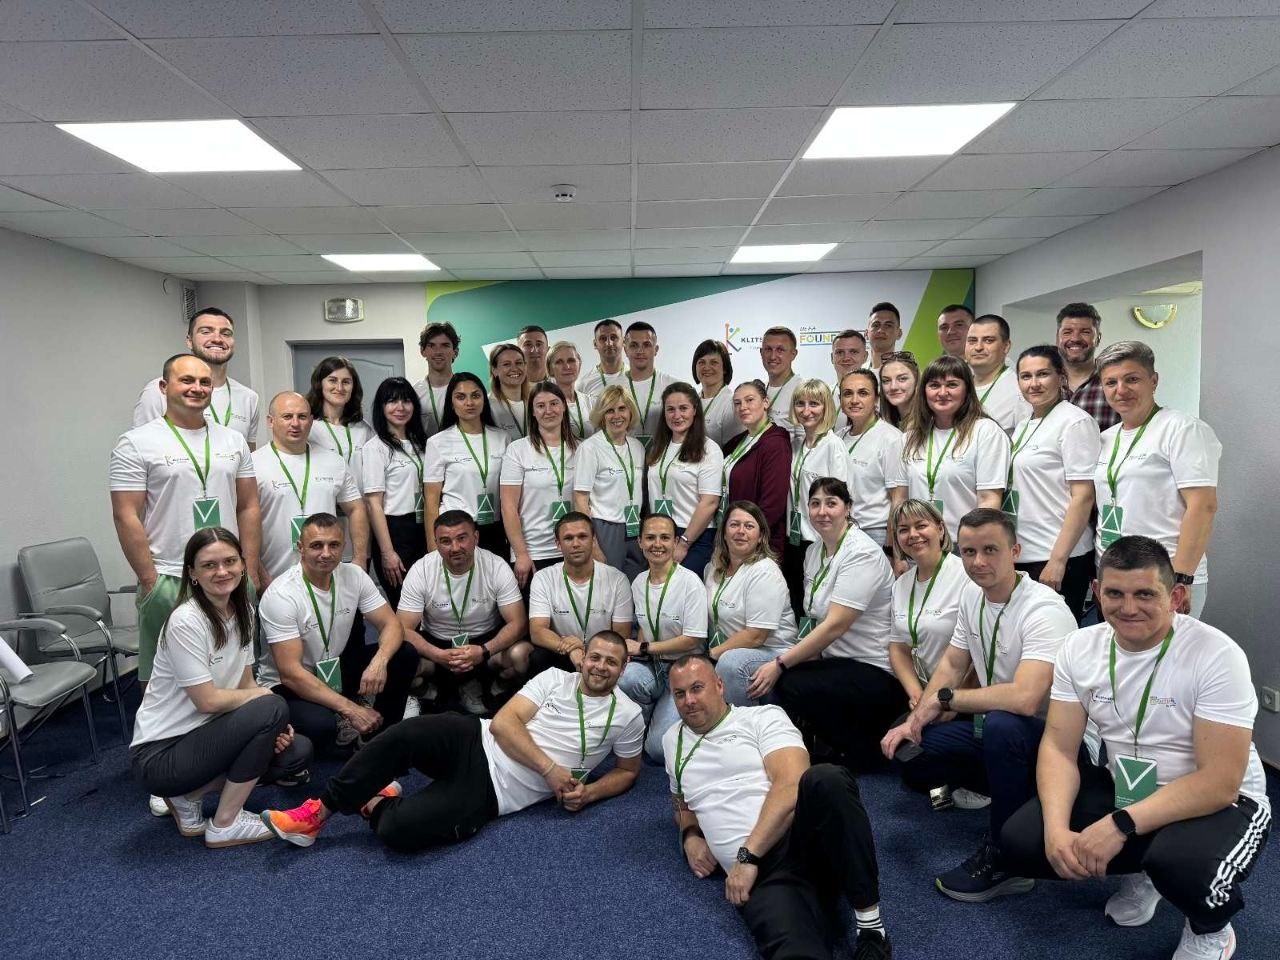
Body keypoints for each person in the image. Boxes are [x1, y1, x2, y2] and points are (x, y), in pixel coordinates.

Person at [1001, 536, 1272, 960]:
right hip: (1129, 787)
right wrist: (1055, 829)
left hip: (1223, 801)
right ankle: (1147, 870)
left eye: (1145, 594)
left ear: (1176, 596)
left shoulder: (1217, 655)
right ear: (1097, 591)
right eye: (1115, 593)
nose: (1128, 608)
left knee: (1182, 867)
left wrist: (1120, 826)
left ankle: (1210, 928)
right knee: (1022, 841)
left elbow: (1219, 783)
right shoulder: (1079, 647)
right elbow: (1058, 746)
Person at [261, 631, 644, 853]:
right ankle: (317, 813)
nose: (600, 667)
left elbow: (627, 771)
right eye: (595, 657)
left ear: (623, 667)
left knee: (398, 831)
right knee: (404, 734)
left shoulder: (628, 715)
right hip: (475, 737)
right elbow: (504, 724)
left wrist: (589, 794)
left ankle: (375, 799)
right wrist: (549, 770)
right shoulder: (555, 680)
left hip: (494, 791)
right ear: (583, 658)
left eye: (611, 662)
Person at [880, 509, 1077, 903]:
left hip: (1056, 743)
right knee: (912, 747)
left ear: (1015, 551)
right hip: (999, 730)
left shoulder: (1044, 609)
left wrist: (945, 700)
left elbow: (1026, 698)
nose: (978, 562)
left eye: (990, 550)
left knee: (1003, 723)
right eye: (969, 552)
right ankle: (1011, 797)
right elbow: (954, 664)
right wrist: (916, 719)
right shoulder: (973, 595)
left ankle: (1005, 857)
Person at [664, 656, 892, 960]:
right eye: (680, 694)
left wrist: (748, 856)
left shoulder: (763, 717)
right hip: (763, 880)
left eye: (697, 688)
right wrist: (690, 835)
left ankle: (871, 927)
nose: (689, 701)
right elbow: (681, 799)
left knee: (827, 779)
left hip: (799, 839)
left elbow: (791, 783)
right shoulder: (672, 740)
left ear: (719, 686)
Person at [130, 528, 312, 848]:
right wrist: (266, 703)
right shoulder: (186, 621)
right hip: (160, 756)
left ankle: (188, 797)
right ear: (193, 574)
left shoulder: (244, 612)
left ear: (242, 565)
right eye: (209, 565)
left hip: (205, 735)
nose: (222, 571)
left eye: (230, 561)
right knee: (273, 705)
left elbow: (245, 683)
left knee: (295, 751)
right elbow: (208, 701)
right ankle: (226, 823)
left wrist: (272, 725)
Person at [111, 353, 261, 685]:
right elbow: (125, 514)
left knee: (233, 667)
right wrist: (149, 580)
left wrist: (248, 568)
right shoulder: (136, 442)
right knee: (164, 677)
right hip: (169, 576)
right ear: (164, 387)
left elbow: (249, 506)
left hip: (228, 574)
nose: (197, 388)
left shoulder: (233, 440)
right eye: (187, 380)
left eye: (204, 382)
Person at [766, 479, 903, 771]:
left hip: (873, 668)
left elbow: (835, 625)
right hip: (837, 662)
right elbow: (815, 618)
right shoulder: (814, 552)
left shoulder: (861, 552)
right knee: (790, 676)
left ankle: (862, 753)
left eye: (832, 503)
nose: (822, 511)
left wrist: (779, 663)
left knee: (790, 681)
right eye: (815, 504)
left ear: (848, 508)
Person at [258, 513, 417, 751]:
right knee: (322, 725)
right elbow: (290, 673)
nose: (326, 553)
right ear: (301, 548)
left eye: (334, 545)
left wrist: (379, 662)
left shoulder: (354, 576)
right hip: (288, 685)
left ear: (343, 546)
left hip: (333, 669)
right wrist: (351, 709)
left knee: (404, 654)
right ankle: (348, 718)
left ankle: (381, 736)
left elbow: (391, 625)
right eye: (316, 545)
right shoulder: (282, 594)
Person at [1093, 341, 1220, 619]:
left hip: (1164, 576)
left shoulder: (1182, 429)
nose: (1120, 390)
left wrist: (1181, 577)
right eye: (1111, 382)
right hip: (1114, 575)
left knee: (1168, 648)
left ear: (1153, 381)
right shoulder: (1106, 438)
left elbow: (1203, 506)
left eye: (1132, 379)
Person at [396, 510, 531, 716]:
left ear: (476, 537)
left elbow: (519, 623)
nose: (455, 548)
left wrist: (483, 651)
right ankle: (425, 693)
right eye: (445, 541)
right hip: (437, 645)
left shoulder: (496, 566)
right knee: (397, 657)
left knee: (521, 655)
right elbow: (402, 628)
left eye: (462, 538)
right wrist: (437, 654)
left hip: (484, 644)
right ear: (436, 543)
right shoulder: (421, 570)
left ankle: (494, 687)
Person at [1008, 346, 1101, 621]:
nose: (1033, 383)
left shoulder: (1074, 422)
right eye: (1026, 376)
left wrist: (1058, 560)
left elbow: (1083, 497)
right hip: (1024, 552)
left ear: (1061, 377)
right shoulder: (1025, 425)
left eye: (1042, 374)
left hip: (1058, 557)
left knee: (1053, 638)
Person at [252, 392, 368, 589]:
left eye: (302, 417)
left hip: (328, 577)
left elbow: (356, 508)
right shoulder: (253, 464)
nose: (295, 423)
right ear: (271, 421)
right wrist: (260, 574)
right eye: (287, 416)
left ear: (311, 421)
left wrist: (359, 559)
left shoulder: (333, 462)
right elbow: (244, 524)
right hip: (275, 577)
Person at [617, 513, 709, 761]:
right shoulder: (638, 582)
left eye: (665, 538)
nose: (657, 544)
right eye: (650, 538)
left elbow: (693, 639)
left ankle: (671, 719)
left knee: (658, 750)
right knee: (626, 677)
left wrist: (644, 648)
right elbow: (646, 624)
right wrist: (640, 651)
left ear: (676, 542)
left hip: (685, 668)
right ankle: (645, 723)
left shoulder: (690, 582)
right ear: (640, 542)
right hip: (654, 666)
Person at [898, 355, 1010, 545]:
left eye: (952, 385)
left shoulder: (985, 432)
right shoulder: (910, 438)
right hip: (918, 543)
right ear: (924, 391)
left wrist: (976, 549)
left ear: (967, 389)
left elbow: (989, 500)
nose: (942, 392)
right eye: (934, 385)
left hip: (964, 543)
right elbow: (902, 499)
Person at [705, 502, 798, 706]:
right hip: (731, 648)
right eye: (734, 525)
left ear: (760, 536)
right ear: (724, 533)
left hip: (772, 651)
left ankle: (741, 722)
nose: (741, 531)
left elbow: (756, 636)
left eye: (749, 526)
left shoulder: (764, 571)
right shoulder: (712, 569)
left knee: (730, 663)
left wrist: (711, 655)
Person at [132, 307, 259, 446]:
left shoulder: (248, 397)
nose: (217, 339)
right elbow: (142, 447)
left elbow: (248, 453)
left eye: (226, 333)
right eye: (206, 332)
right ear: (189, 341)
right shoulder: (160, 391)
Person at [528, 513, 634, 676]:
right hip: (564, 653)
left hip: (603, 655)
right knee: (537, 657)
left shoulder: (618, 580)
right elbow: (537, 631)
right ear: (558, 544)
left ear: (593, 540)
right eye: (568, 538)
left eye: (582, 537)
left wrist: (587, 651)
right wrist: (573, 649)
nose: (576, 544)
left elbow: (621, 635)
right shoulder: (543, 578)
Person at [887, 500, 968, 708]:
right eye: (903, 529)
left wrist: (949, 701)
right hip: (922, 695)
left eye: (921, 525)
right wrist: (916, 694)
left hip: (959, 697)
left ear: (940, 529)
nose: (913, 534)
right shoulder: (901, 584)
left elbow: (977, 655)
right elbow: (898, 649)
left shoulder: (966, 576)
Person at [500, 382, 579, 590]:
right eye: (541, 406)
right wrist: (521, 554)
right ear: (533, 412)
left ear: (564, 406)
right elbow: (508, 507)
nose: (548, 410)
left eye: (554, 403)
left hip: (573, 549)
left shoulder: (581, 449)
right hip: (534, 552)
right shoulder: (517, 450)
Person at [423, 372, 510, 558]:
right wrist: (433, 547)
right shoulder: (438, 442)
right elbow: (431, 499)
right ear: (451, 403)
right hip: (455, 530)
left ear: (484, 400)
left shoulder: (502, 438)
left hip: (494, 527)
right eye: (461, 397)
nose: (469, 402)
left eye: (475, 395)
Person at [783, 379, 849, 619]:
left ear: (826, 407)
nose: (806, 410)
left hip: (818, 539)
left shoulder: (833, 445)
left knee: (815, 603)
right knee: (796, 601)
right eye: (800, 403)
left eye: (814, 404)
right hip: (794, 537)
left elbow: (838, 498)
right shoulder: (796, 444)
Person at [361, 377, 428, 611]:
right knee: (406, 606)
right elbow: (373, 505)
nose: (400, 407)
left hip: (424, 526)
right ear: (381, 407)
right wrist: (388, 552)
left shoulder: (421, 443)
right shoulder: (375, 448)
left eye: (406, 401)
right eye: (392, 401)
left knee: (427, 601)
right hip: (395, 532)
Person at [646, 382, 724, 575]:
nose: (676, 415)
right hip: (661, 534)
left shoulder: (709, 449)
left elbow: (710, 502)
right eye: (670, 409)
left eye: (683, 408)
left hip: (693, 536)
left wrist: (684, 543)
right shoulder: (659, 447)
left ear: (695, 410)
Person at [571, 385, 647, 580]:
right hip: (604, 528)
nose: (617, 416)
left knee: (636, 583)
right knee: (609, 585)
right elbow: (580, 499)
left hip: (634, 526)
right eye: (609, 411)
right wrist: (593, 544)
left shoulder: (637, 447)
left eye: (622, 409)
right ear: (601, 415)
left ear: (630, 412)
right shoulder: (590, 448)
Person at [721, 380, 792, 558]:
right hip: (734, 538)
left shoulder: (776, 443)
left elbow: (773, 503)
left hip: (758, 543)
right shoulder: (737, 442)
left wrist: (749, 535)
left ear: (766, 402)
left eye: (749, 400)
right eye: (737, 403)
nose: (743, 407)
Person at [838, 369, 905, 553]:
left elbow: (898, 498)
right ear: (840, 399)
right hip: (842, 532)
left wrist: (891, 548)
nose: (854, 400)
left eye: (863, 393)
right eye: (847, 394)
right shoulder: (838, 437)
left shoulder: (891, 439)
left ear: (876, 399)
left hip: (875, 535)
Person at [306, 356, 374, 492]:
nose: (339, 387)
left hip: (359, 503)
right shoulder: (308, 427)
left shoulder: (363, 428)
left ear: (353, 387)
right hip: (323, 503)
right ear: (319, 384)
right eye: (332, 380)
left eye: (346, 382)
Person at [1056, 302, 1120, 432]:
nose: (1075, 338)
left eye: (1085, 332)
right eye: (1067, 332)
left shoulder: (1117, 382)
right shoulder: (1044, 383)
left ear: (1098, 338)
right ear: (1057, 338)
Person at [967, 314, 1031, 435]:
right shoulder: (958, 385)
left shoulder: (1020, 391)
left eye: (988, 340)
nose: (978, 347)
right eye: (972, 341)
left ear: (1006, 346)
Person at [623, 321, 676, 446]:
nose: (640, 351)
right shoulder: (613, 388)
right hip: (624, 457)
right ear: (625, 350)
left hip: (664, 456)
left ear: (656, 349)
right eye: (634, 345)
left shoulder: (674, 386)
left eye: (646, 345)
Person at [413, 321, 460, 437]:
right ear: (422, 351)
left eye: (445, 345)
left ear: (455, 352)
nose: (438, 352)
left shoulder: (467, 390)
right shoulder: (414, 393)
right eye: (431, 346)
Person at [546, 340, 596, 440]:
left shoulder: (591, 402)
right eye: (559, 362)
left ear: (579, 364)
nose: (567, 367)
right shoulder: (544, 405)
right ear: (550, 369)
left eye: (571, 360)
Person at [759, 326, 802, 441]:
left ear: (793, 354)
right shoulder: (759, 390)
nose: (773, 356)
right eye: (768, 349)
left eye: (780, 350)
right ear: (761, 353)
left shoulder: (802, 390)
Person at [692, 338, 738, 446]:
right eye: (701, 362)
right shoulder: (691, 401)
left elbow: (733, 450)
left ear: (724, 368)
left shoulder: (732, 403)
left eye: (714, 362)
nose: (707, 367)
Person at [488, 342, 531, 442]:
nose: (514, 368)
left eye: (519, 363)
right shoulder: (487, 407)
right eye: (506, 364)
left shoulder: (536, 403)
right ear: (494, 371)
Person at [577, 318, 629, 395]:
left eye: (613, 337)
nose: (609, 343)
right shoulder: (583, 384)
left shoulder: (638, 379)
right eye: (603, 338)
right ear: (595, 344)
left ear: (623, 341)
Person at [879, 350, 919, 435]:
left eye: (902, 379)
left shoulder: (930, 423)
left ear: (916, 380)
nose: (893, 387)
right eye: (886, 381)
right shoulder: (882, 423)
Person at [866, 302, 902, 374]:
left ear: (899, 334)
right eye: (876, 325)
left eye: (888, 325)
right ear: (866, 334)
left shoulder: (910, 374)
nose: (881, 330)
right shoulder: (856, 373)